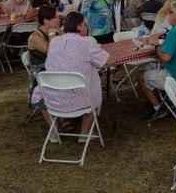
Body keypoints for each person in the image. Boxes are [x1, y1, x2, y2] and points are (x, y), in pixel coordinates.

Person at [31, 12, 114, 143]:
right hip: (80, 98)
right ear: (79, 26)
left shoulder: (54, 42)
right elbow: (109, 61)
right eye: (85, 25)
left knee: (40, 92)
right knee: (95, 90)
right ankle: (84, 134)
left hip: (53, 98)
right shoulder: (87, 43)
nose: (87, 27)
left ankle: (54, 132)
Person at [137, 1, 176, 120]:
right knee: (157, 66)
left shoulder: (174, 31)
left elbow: (166, 57)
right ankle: (168, 100)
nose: (168, 15)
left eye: (171, 12)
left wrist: (157, 47)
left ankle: (158, 108)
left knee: (140, 75)